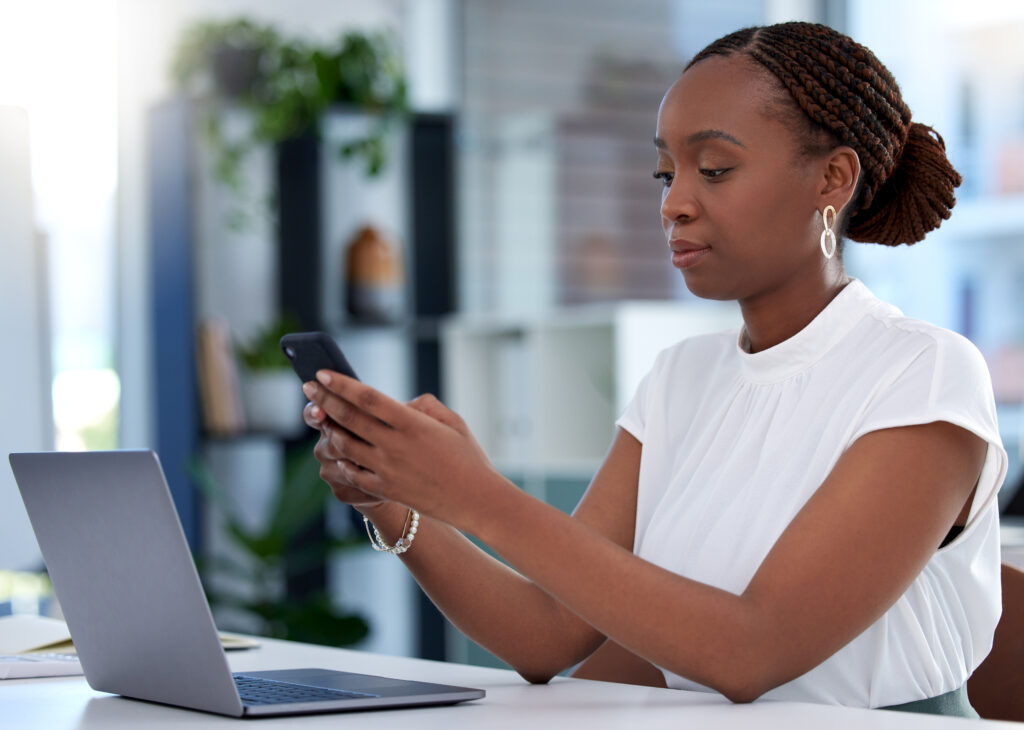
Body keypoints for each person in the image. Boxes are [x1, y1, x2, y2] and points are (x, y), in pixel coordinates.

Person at [300, 21, 1007, 717]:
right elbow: (546, 634)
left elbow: (751, 652)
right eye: (665, 172)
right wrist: (392, 497)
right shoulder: (681, 378)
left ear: (832, 178)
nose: (673, 203)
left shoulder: (923, 373)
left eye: (716, 169)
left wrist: (477, 494)